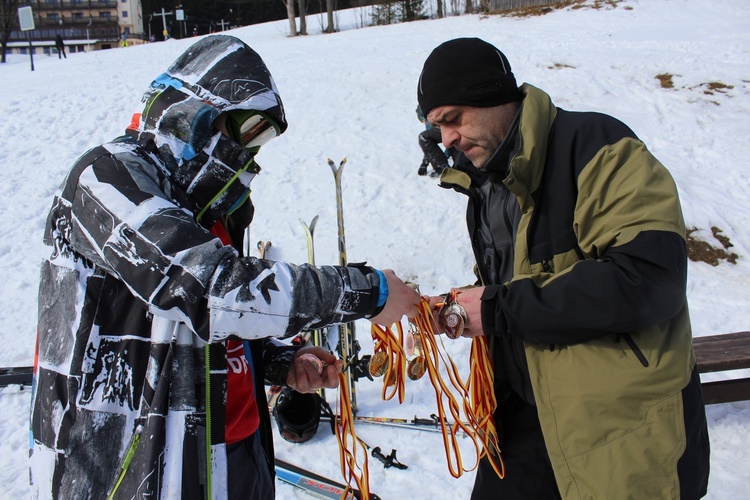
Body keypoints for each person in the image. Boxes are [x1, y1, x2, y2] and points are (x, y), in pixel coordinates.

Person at [29, 35, 420, 499]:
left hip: (235, 453)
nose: (249, 155)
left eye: (260, 140)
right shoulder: (105, 180)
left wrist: (280, 360)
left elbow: (223, 325)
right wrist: (364, 292)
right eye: (245, 131)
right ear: (195, 114)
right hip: (134, 472)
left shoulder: (213, 208)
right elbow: (211, 292)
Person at [417, 38, 710, 499]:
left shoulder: (598, 147)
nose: (447, 138)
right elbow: (520, 279)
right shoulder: (485, 185)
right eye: (437, 127)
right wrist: (468, 303)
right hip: (526, 416)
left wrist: (497, 309)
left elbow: (651, 277)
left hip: (619, 423)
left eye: (453, 119)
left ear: (494, 95)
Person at [416, 105, 449, 177]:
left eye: (422, 121)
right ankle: (441, 166)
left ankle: (442, 166)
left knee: (423, 137)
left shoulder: (430, 123)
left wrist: (425, 163)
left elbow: (428, 145)